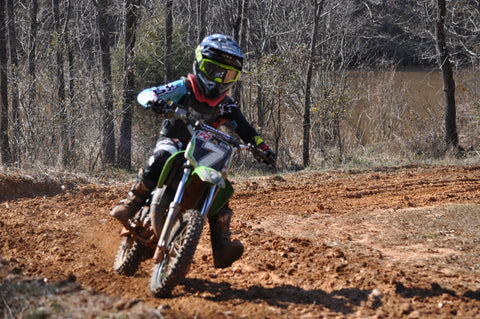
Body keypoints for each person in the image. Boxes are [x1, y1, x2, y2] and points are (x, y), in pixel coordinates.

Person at [110, 34, 276, 268]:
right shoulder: (184, 88)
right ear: (199, 63)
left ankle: (222, 245)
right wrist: (155, 101)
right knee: (161, 156)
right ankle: (133, 201)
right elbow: (147, 93)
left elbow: (247, 130)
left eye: (228, 75)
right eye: (213, 70)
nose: (219, 80)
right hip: (174, 142)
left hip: (203, 154)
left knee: (221, 191)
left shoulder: (226, 104)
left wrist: (262, 148)